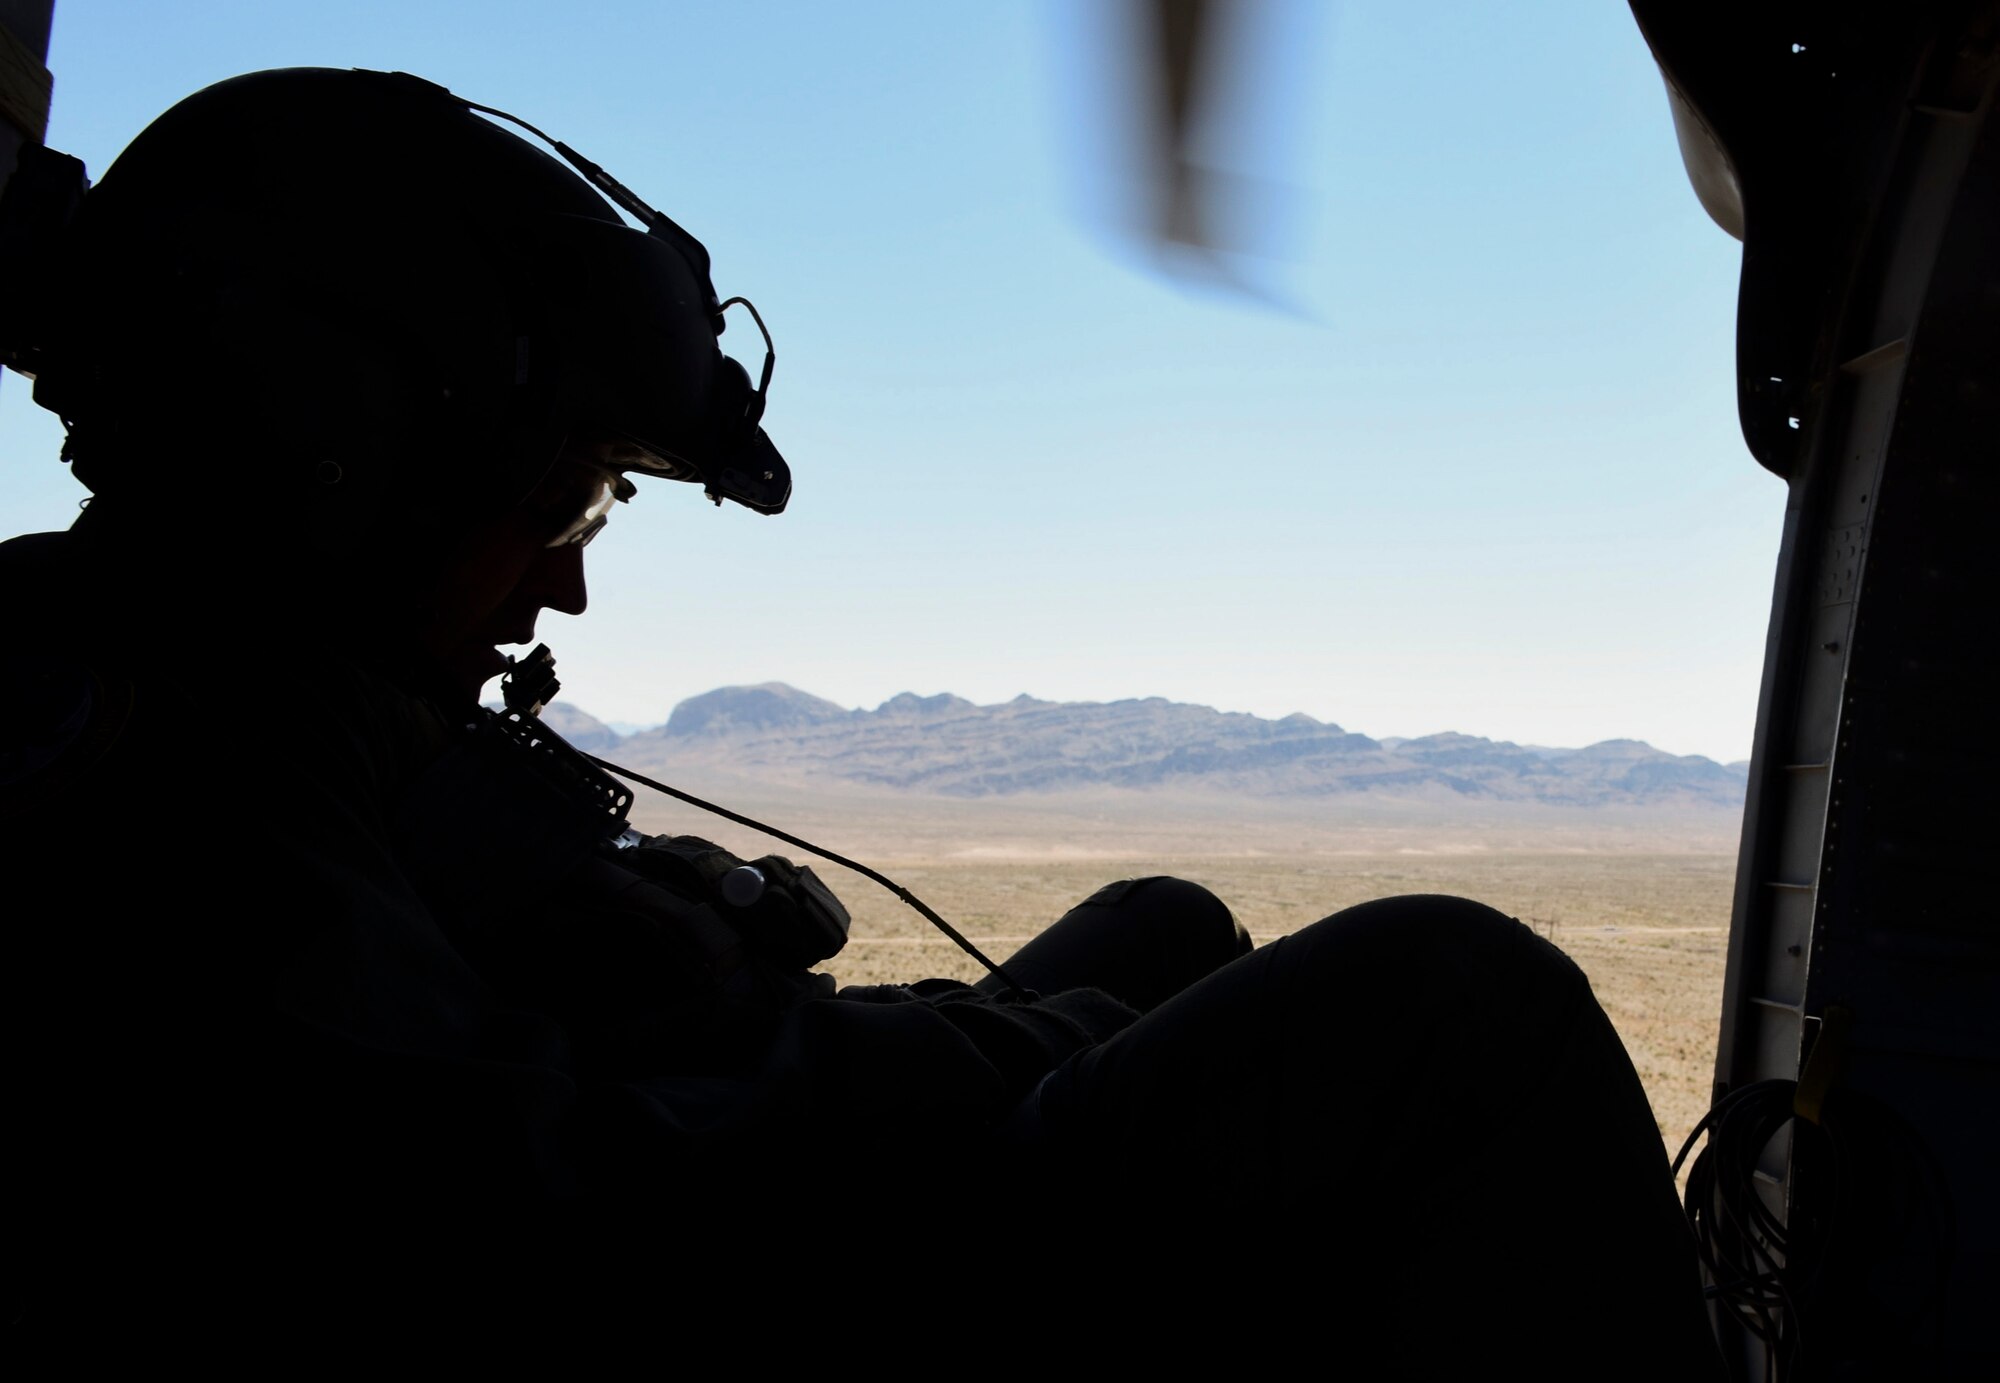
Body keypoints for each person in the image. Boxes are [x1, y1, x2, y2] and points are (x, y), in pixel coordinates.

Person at [1, 69, 1721, 1372]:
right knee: (1449, 998)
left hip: (700, 1171)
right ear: (348, 451)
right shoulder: (152, 744)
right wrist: (984, 1059)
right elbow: (537, 1205)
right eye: (570, 506)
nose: (569, 589)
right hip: (710, 1266)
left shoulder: (269, 688)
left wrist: (665, 943)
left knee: (1171, 926)